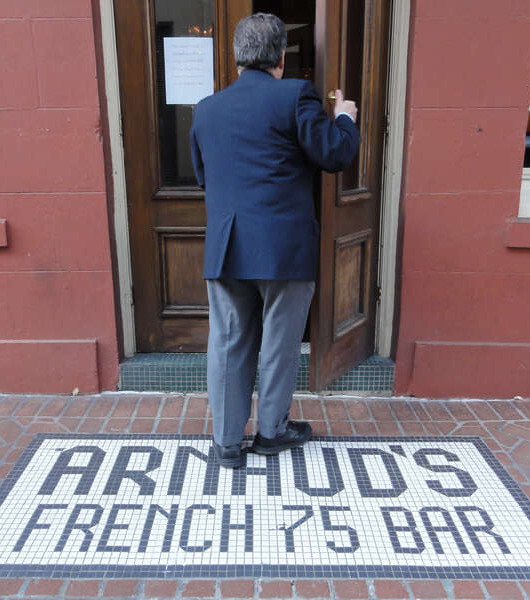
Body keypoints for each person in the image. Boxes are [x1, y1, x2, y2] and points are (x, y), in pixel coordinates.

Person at [189, 13, 360, 468]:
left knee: (228, 343)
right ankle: (271, 431)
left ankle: (227, 443)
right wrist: (344, 118)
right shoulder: (295, 95)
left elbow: (205, 176)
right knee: (280, 345)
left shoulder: (206, 109)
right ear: (281, 57)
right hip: (284, 247)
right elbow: (334, 154)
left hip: (227, 245)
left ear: (236, 58)